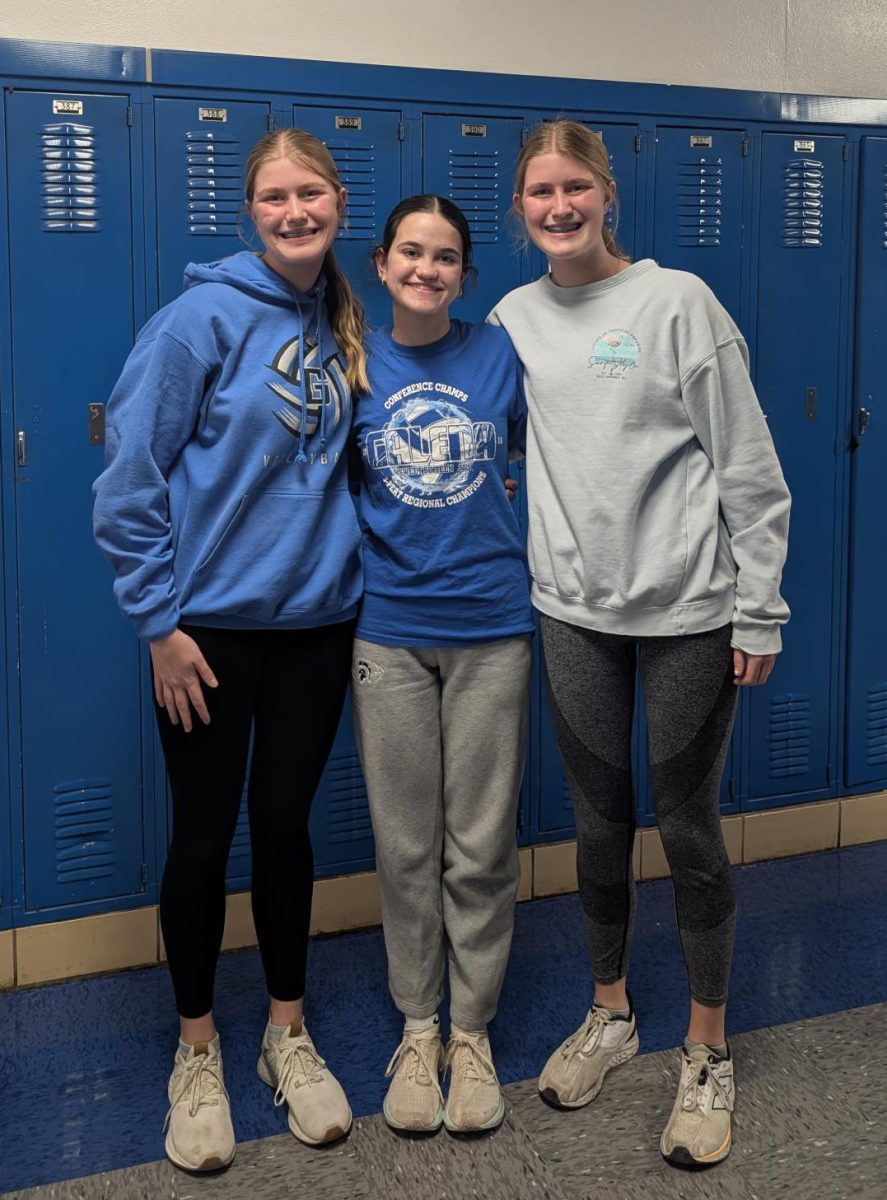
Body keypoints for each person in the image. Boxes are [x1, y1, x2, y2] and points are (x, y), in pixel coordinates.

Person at [489, 120, 790, 1167]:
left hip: (688, 616)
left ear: (607, 195)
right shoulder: (513, 316)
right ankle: (609, 1010)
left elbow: (747, 468)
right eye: (539, 192)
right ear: (518, 205)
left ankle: (705, 1047)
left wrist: (759, 610)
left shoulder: (677, 303)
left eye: (575, 187)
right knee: (597, 821)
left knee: (686, 823)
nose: (559, 206)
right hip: (572, 609)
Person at [93, 128, 368, 1172]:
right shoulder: (196, 319)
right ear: (249, 210)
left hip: (316, 627)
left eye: (310, 193)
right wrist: (159, 623)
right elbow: (128, 485)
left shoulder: (342, 316)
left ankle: (285, 1035)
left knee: (287, 831)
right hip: (204, 636)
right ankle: (197, 1046)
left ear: (338, 201)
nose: (294, 210)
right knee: (204, 839)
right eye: (273, 196)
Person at [351, 195, 533, 1135]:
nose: (426, 269)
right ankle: (417, 1028)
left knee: (479, 846)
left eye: (446, 257)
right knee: (406, 844)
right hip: (385, 630)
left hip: (493, 628)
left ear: (466, 274)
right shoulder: (352, 360)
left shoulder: (500, 352)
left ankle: (472, 1033)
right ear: (381, 263)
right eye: (410, 253)